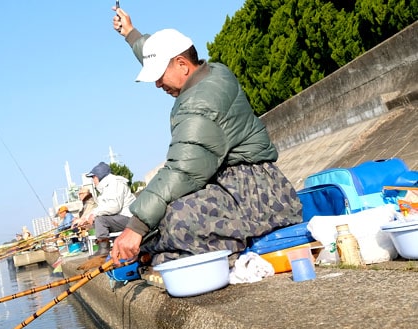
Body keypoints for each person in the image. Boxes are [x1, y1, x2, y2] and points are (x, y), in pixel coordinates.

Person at [109, 7, 303, 267]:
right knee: (159, 221)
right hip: (242, 185)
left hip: (257, 196)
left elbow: (182, 170)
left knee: (174, 219)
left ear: (182, 64)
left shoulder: (200, 103)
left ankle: (216, 253)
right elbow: (157, 51)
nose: (157, 84)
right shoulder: (213, 70)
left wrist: (136, 226)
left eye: (158, 75)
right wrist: (131, 34)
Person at [82, 162, 136, 257]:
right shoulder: (107, 187)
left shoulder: (115, 184)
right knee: (97, 220)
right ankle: (108, 246)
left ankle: (104, 249)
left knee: (100, 219)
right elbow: (102, 207)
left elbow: (114, 207)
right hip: (122, 218)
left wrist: (94, 214)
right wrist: (86, 218)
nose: (93, 180)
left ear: (99, 176)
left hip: (129, 218)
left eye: (93, 177)